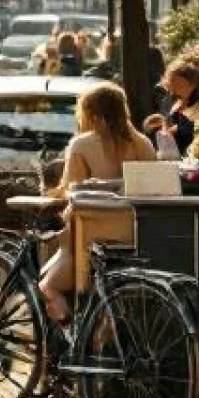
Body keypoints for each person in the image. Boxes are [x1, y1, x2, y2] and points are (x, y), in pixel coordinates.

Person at [38, 84, 156, 324]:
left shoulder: (82, 145)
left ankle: (70, 331)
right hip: (137, 231)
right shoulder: (143, 143)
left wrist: (52, 192)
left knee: (46, 286)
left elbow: (73, 189)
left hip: (90, 234)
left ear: (90, 115)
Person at [145, 61, 199, 158]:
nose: (173, 90)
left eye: (178, 84)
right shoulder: (175, 102)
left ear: (192, 84)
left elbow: (190, 133)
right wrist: (161, 123)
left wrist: (173, 130)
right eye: (171, 83)